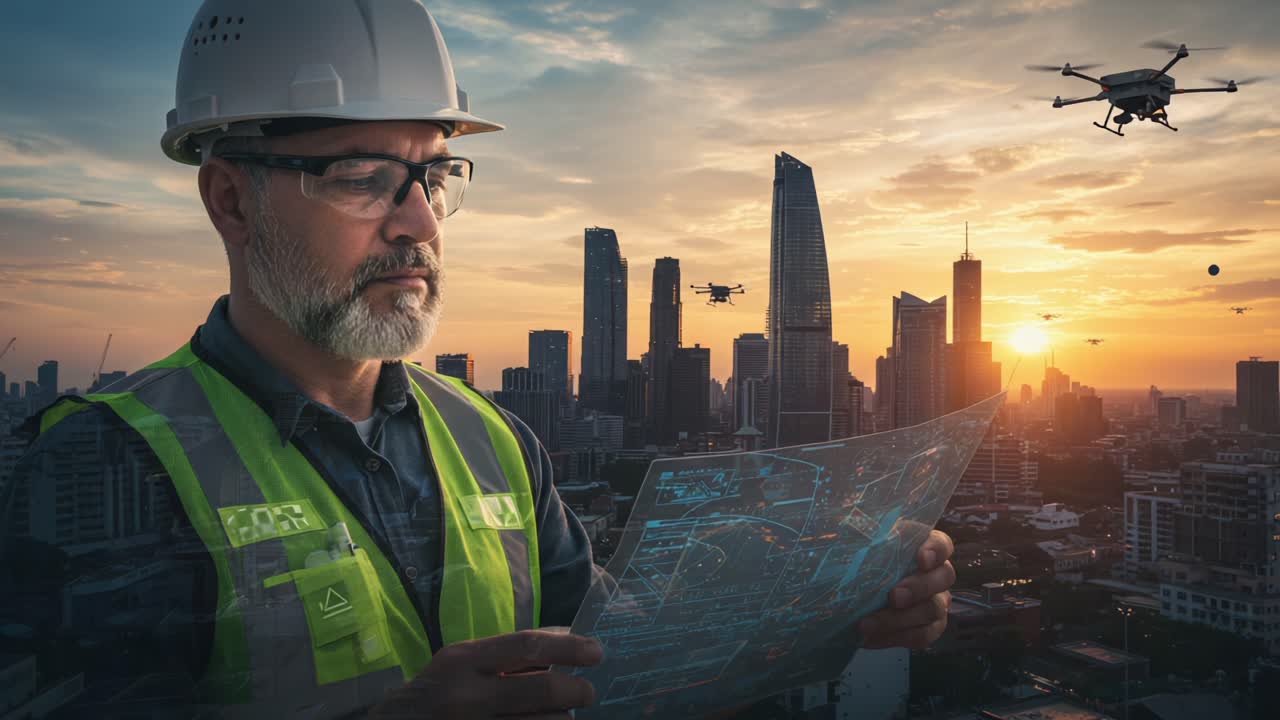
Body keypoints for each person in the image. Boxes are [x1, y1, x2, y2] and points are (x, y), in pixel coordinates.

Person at [0, 1, 957, 718]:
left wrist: (833, 610)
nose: (417, 222)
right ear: (232, 203)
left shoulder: (493, 439)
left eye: (434, 174)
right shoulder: (102, 467)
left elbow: (622, 666)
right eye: (362, 176)